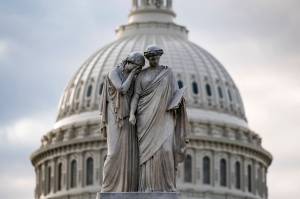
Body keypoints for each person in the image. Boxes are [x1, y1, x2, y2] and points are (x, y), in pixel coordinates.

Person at [129, 45, 188, 192]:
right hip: (145, 117)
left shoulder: (168, 73)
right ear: (148, 58)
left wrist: (179, 102)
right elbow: (136, 95)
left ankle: (168, 186)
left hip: (165, 115)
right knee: (147, 155)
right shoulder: (142, 75)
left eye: (156, 57)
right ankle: (147, 187)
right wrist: (131, 113)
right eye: (151, 58)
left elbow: (175, 92)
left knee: (166, 150)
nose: (154, 60)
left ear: (159, 57)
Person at [99, 52, 145, 192]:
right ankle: (108, 188)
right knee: (113, 153)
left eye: (140, 69)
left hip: (128, 119)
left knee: (129, 155)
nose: (138, 71)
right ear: (129, 63)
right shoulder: (114, 72)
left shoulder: (135, 77)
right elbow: (122, 89)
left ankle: (128, 189)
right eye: (137, 67)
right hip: (115, 117)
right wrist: (132, 74)